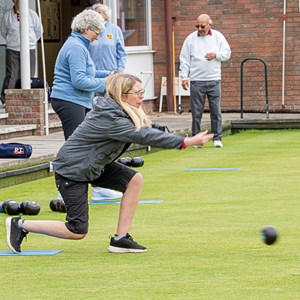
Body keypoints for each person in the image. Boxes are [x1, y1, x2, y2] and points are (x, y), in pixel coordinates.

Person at [5, 73, 214, 254]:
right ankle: (21, 224)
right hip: (73, 170)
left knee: (134, 179)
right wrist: (185, 142)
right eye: (138, 93)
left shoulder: (121, 111)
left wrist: (162, 130)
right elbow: (142, 135)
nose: (142, 97)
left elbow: (146, 129)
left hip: (94, 166)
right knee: (77, 231)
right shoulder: (112, 119)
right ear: (123, 96)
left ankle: (121, 239)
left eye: (143, 92)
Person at [89, 3, 127, 201]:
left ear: (106, 16)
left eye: (99, 14)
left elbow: (121, 52)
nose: (96, 16)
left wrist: (120, 72)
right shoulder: (89, 32)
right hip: (95, 80)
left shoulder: (114, 30)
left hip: (112, 79)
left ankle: (104, 181)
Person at [179, 14, 231, 148]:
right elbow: (184, 60)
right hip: (197, 80)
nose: (200, 28)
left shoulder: (218, 36)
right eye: (197, 26)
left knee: (215, 111)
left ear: (209, 25)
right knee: (196, 112)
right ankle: (196, 139)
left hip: (214, 79)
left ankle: (217, 138)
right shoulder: (190, 39)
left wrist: (216, 55)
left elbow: (227, 53)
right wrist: (184, 77)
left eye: (202, 26)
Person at [0, 0, 42, 107]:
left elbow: (38, 31)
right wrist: (13, 41)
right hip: (12, 49)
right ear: (14, 1)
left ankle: (26, 100)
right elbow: (4, 32)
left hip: (29, 49)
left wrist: (31, 42)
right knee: (11, 75)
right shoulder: (7, 15)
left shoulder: (32, 14)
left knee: (29, 76)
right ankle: (5, 101)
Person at [89, 3, 127, 73]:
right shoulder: (89, 29)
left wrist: (120, 70)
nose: (95, 15)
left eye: (99, 12)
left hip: (111, 74)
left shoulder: (115, 29)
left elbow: (122, 53)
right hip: (94, 74)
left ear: (106, 15)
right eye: (94, 13)